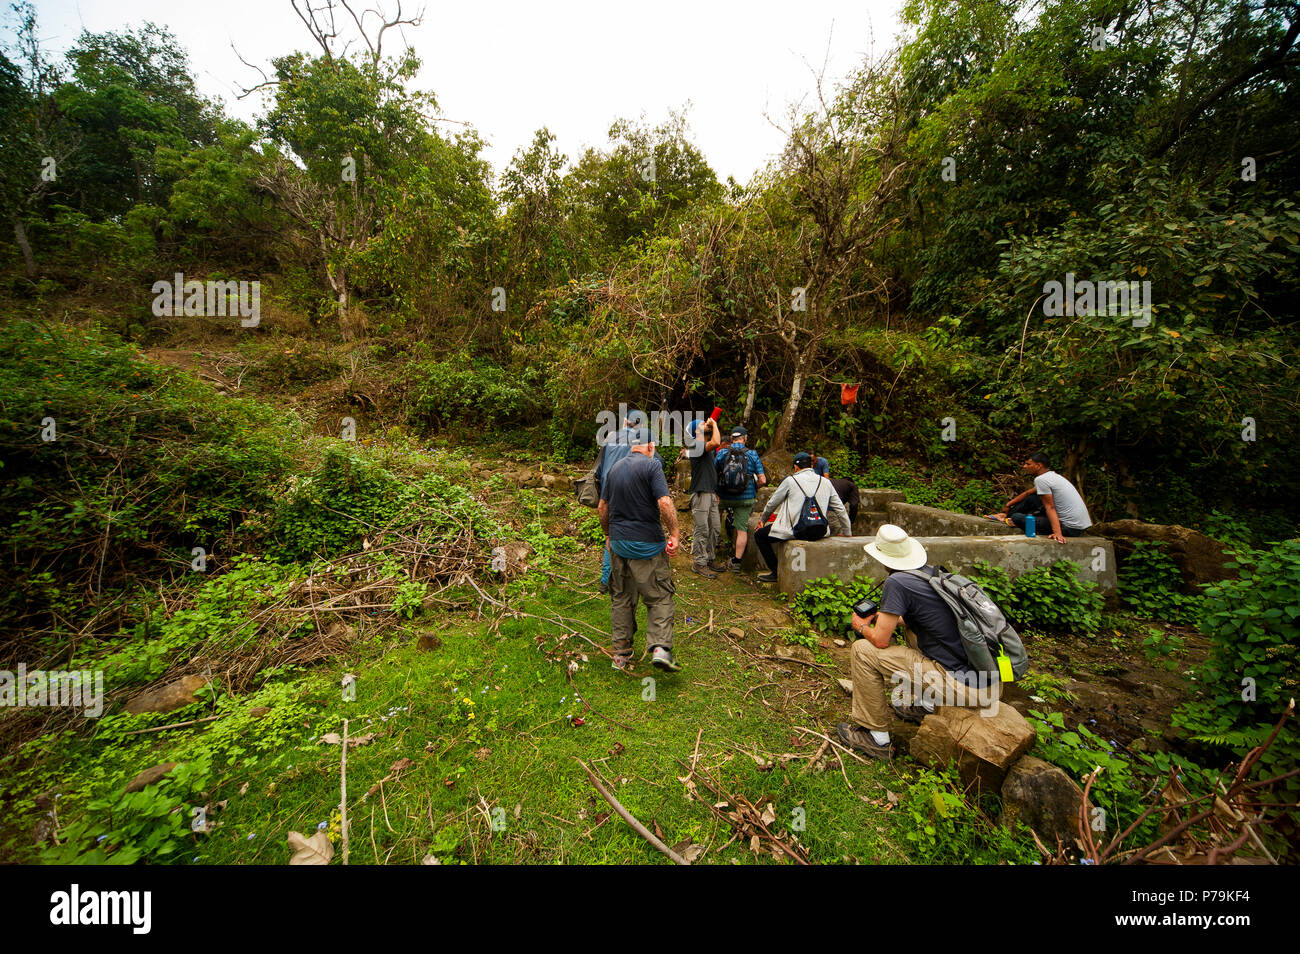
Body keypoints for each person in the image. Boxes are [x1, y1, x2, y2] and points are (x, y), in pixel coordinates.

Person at [835, 525, 999, 760]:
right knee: (913, 631)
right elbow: (924, 619)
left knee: (862, 650)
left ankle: (876, 738)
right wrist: (886, 618)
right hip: (988, 682)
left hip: (965, 688)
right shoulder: (934, 575)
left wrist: (861, 626)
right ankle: (927, 706)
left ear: (883, 557)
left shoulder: (898, 582)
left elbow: (880, 642)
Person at [598, 428, 682, 673]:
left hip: (619, 544)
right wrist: (675, 533)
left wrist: (608, 534)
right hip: (647, 544)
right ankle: (660, 649)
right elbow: (664, 502)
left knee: (622, 597)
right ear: (651, 446)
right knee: (659, 597)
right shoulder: (652, 466)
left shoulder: (614, 469)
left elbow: (603, 507)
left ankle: (621, 655)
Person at [753, 452, 852, 583]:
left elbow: (772, 503)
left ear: (796, 467)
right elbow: (840, 509)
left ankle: (775, 573)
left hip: (795, 532)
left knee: (760, 535)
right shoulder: (825, 482)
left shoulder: (790, 481)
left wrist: (763, 520)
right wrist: (847, 532)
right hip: (819, 531)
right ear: (811, 465)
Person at [596, 409, 661, 593]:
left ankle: (605, 580)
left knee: (611, 534)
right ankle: (635, 579)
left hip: (608, 491)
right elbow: (656, 463)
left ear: (625, 421)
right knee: (632, 530)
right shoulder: (639, 441)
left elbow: (600, 470)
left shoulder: (610, 438)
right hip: (630, 491)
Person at [988, 452, 1092, 543]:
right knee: (1033, 499)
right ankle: (1004, 516)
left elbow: (1050, 507)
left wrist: (1057, 533)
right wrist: (1008, 505)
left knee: (1017, 517)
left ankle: (1009, 517)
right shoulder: (1052, 476)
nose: (1024, 466)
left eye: (1028, 464)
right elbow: (1028, 493)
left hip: (1070, 528)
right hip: (1079, 526)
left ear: (1038, 466)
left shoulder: (1041, 480)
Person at [714, 426, 766, 572]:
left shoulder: (722, 453)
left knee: (713, 520)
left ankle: (712, 550)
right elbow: (763, 480)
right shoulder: (752, 454)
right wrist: (753, 485)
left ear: (731, 439)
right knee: (742, 529)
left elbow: (714, 473)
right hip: (745, 498)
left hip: (723, 496)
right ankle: (736, 562)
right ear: (745, 438)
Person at [682, 417, 727, 578]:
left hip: (710, 492)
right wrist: (714, 424)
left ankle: (709, 558)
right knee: (702, 529)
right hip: (700, 492)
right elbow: (716, 442)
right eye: (702, 424)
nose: (705, 424)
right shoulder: (696, 445)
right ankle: (699, 563)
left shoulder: (705, 447)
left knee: (714, 528)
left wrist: (714, 491)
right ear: (696, 431)